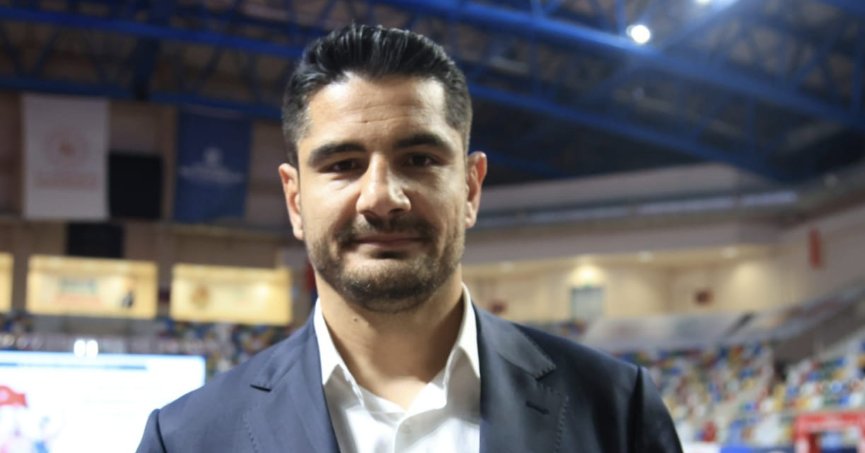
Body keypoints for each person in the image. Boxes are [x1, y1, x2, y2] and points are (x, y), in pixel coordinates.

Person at [137, 24, 683, 453]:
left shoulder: (617, 411)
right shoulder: (186, 439)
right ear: (295, 199)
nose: (381, 197)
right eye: (343, 164)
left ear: (470, 188)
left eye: (419, 159)